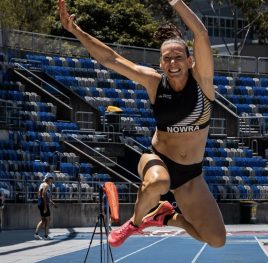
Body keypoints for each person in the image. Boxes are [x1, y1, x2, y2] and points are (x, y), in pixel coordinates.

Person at [58, 0, 226, 248]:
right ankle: (135, 223)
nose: (172, 63)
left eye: (178, 57)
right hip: (157, 160)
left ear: (191, 61)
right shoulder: (155, 83)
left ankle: (167, 217)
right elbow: (111, 59)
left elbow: (200, 33)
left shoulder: (203, 83)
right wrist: (75, 30)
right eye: (166, 58)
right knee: (159, 182)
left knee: (216, 240)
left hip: (191, 174)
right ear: (160, 63)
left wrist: (176, 2)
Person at [34, 173, 57, 240]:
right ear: (48, 179)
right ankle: (46, 236)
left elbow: (45, 196)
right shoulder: (46, 185)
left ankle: (36, 234)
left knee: (43, 220)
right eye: (51, 178)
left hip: (40, 203)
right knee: (48, 219)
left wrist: (52, 203)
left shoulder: (42, 184)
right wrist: (45, 207)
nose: (51, 180)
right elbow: (43, 195)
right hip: (43, 204)